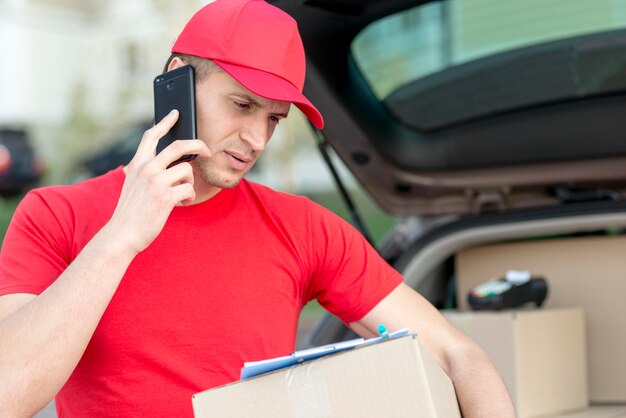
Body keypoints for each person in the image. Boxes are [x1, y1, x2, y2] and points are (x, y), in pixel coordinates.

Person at [0, 0, 515, 417]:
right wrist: (121, 237)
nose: (255, 138)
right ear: (177, 80)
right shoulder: (55, 214)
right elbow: (9, 394)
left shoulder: (304, 227)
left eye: (274, 118)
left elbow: (458, 355)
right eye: (242, 105)